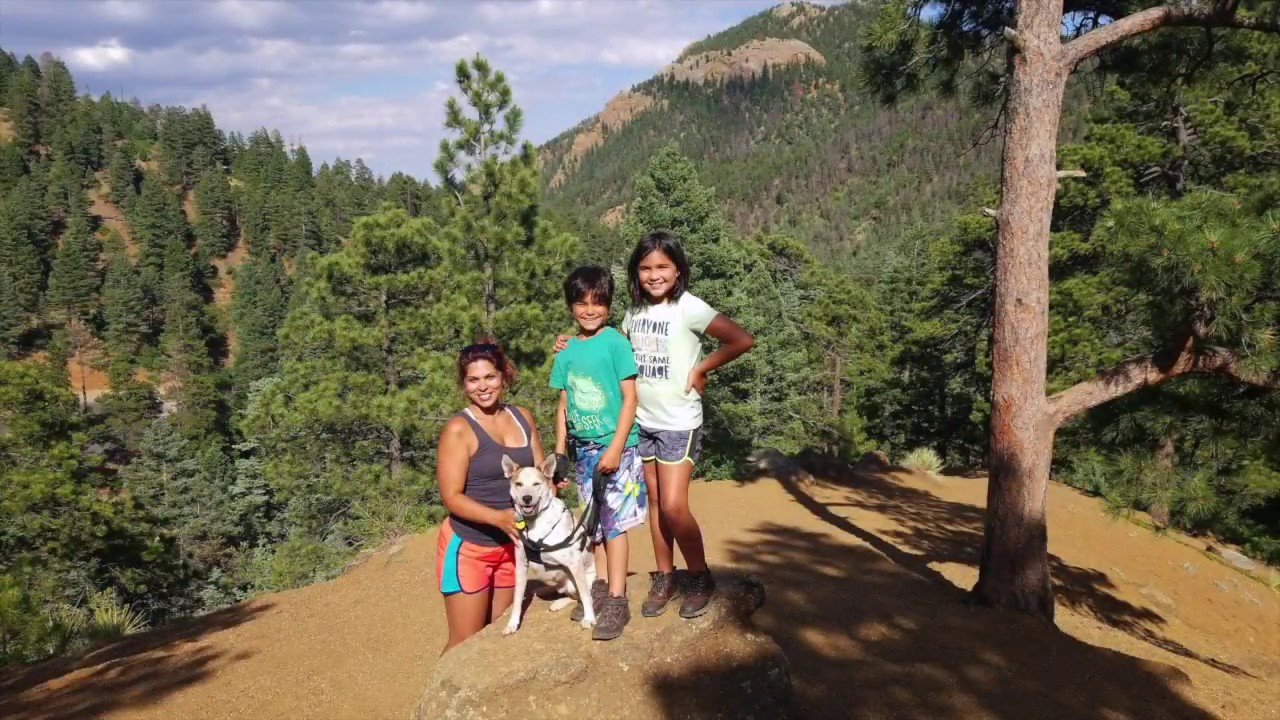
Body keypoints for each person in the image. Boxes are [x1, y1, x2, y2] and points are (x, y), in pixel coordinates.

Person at [554, 230, 754, 619]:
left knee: (676, 505)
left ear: (678, 271)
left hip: (680, 421)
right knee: (657, 503)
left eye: (663, 266)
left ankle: (699, 575)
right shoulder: (633, 313)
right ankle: (666, 575)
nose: (654, 274)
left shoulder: (690, 307)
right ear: (635, 273)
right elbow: (606, 347)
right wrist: (569, 343)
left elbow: (741, 340)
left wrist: (702, 368)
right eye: (645, 268)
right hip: (642, 422)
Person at [550, 265, 647, 641]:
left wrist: (617, 447)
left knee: (615, 524)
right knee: (595, 526)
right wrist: (560, 453)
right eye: (581, 303)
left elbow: (629, 398)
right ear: (570, 306)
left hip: (616, 447)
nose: (589, 310)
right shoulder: (566, 351)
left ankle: (618, 599)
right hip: (583, 452)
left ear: (608, 304)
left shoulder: (616, 343)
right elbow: (563, 403)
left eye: (598, 303)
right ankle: (602, 586)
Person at [436, 341, 545, 653]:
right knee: (464, 642)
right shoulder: (459, 429)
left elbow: (538, 471)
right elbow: (452, 497)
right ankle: (437, 703)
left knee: (498, 634)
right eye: (473, 380)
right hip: (470, 547)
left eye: (490, 377)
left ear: (504, 376)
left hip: (513, 545)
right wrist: (499, 517)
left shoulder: (523, 417)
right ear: (463, 384)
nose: (483, 387)